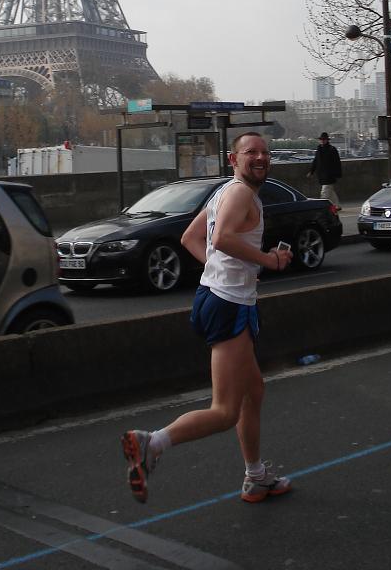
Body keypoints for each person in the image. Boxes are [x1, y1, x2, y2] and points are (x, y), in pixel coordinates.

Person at [120, 132, 293, 505]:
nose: (260, 157)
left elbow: (190, 238)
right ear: (234, 159)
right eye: (251, 152)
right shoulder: (242, 194)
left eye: (265, 152)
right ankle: (152, 443)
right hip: (228, 304)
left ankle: (256, 476)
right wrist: (268, 261)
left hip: (222, 297)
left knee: (254, 391)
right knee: (225, 410)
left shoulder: (223, 192)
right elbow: (225, 239)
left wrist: (225, 269)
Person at [308, 132, 342, 209]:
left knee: (324, 193)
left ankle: (322, 207)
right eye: (321, 139)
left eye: (324, 139)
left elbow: (337, 162)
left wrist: (337, 173)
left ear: (327, 140)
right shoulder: (319, 149)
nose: (322, 141)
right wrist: (311, 171)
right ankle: (337, 205)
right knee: (330, 192)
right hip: (322, 174)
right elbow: (315, 161)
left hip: (329, 174)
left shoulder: (332, 149)